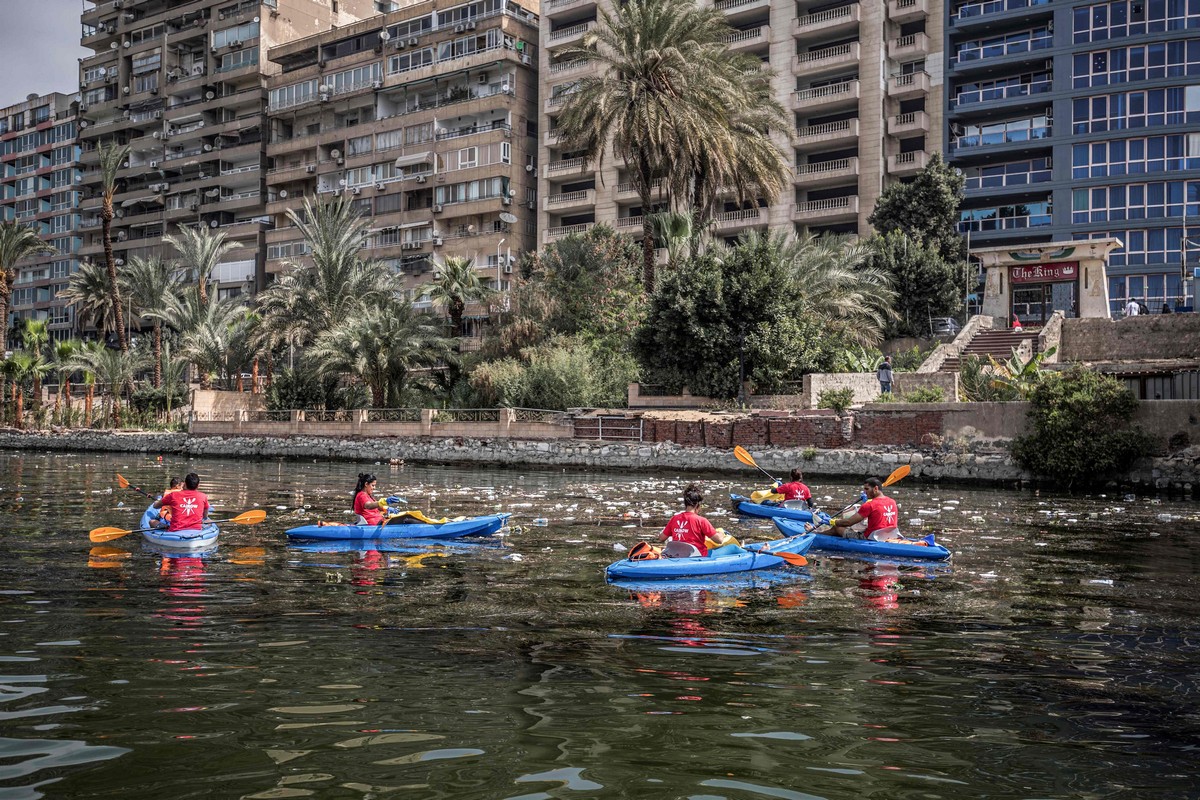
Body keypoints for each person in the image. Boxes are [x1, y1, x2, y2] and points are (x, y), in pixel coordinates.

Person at [659, 484, 731, 558]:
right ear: (697, 505)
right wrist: (721, 533)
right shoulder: (702, 521)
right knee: (733, 548)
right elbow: (719, 540)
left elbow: (661, 538)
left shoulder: (674, 519)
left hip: (676, 556)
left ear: (685, 504)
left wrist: (679, 531)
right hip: (696, 557)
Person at [827, 477, 902, 543]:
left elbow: (848, 522)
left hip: (871, 538)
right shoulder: (892, 501)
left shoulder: (869, 505)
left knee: (837, 528)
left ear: (875, 488)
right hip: (891, 535)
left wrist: (832, 521)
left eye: (867, 489)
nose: (865, 492)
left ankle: (817, 536)